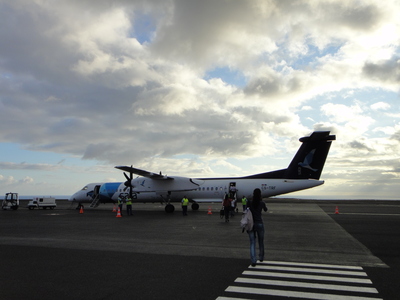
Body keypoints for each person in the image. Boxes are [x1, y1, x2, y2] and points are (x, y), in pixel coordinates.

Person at [247, 188, 267, 267]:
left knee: (252, 242)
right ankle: (261, 257)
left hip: (251, 224)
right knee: (261, 241)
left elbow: (246, 210)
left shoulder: (250, 202)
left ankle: (253, 260)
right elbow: (265, 210)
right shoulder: (261, 203)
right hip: (259, 223)